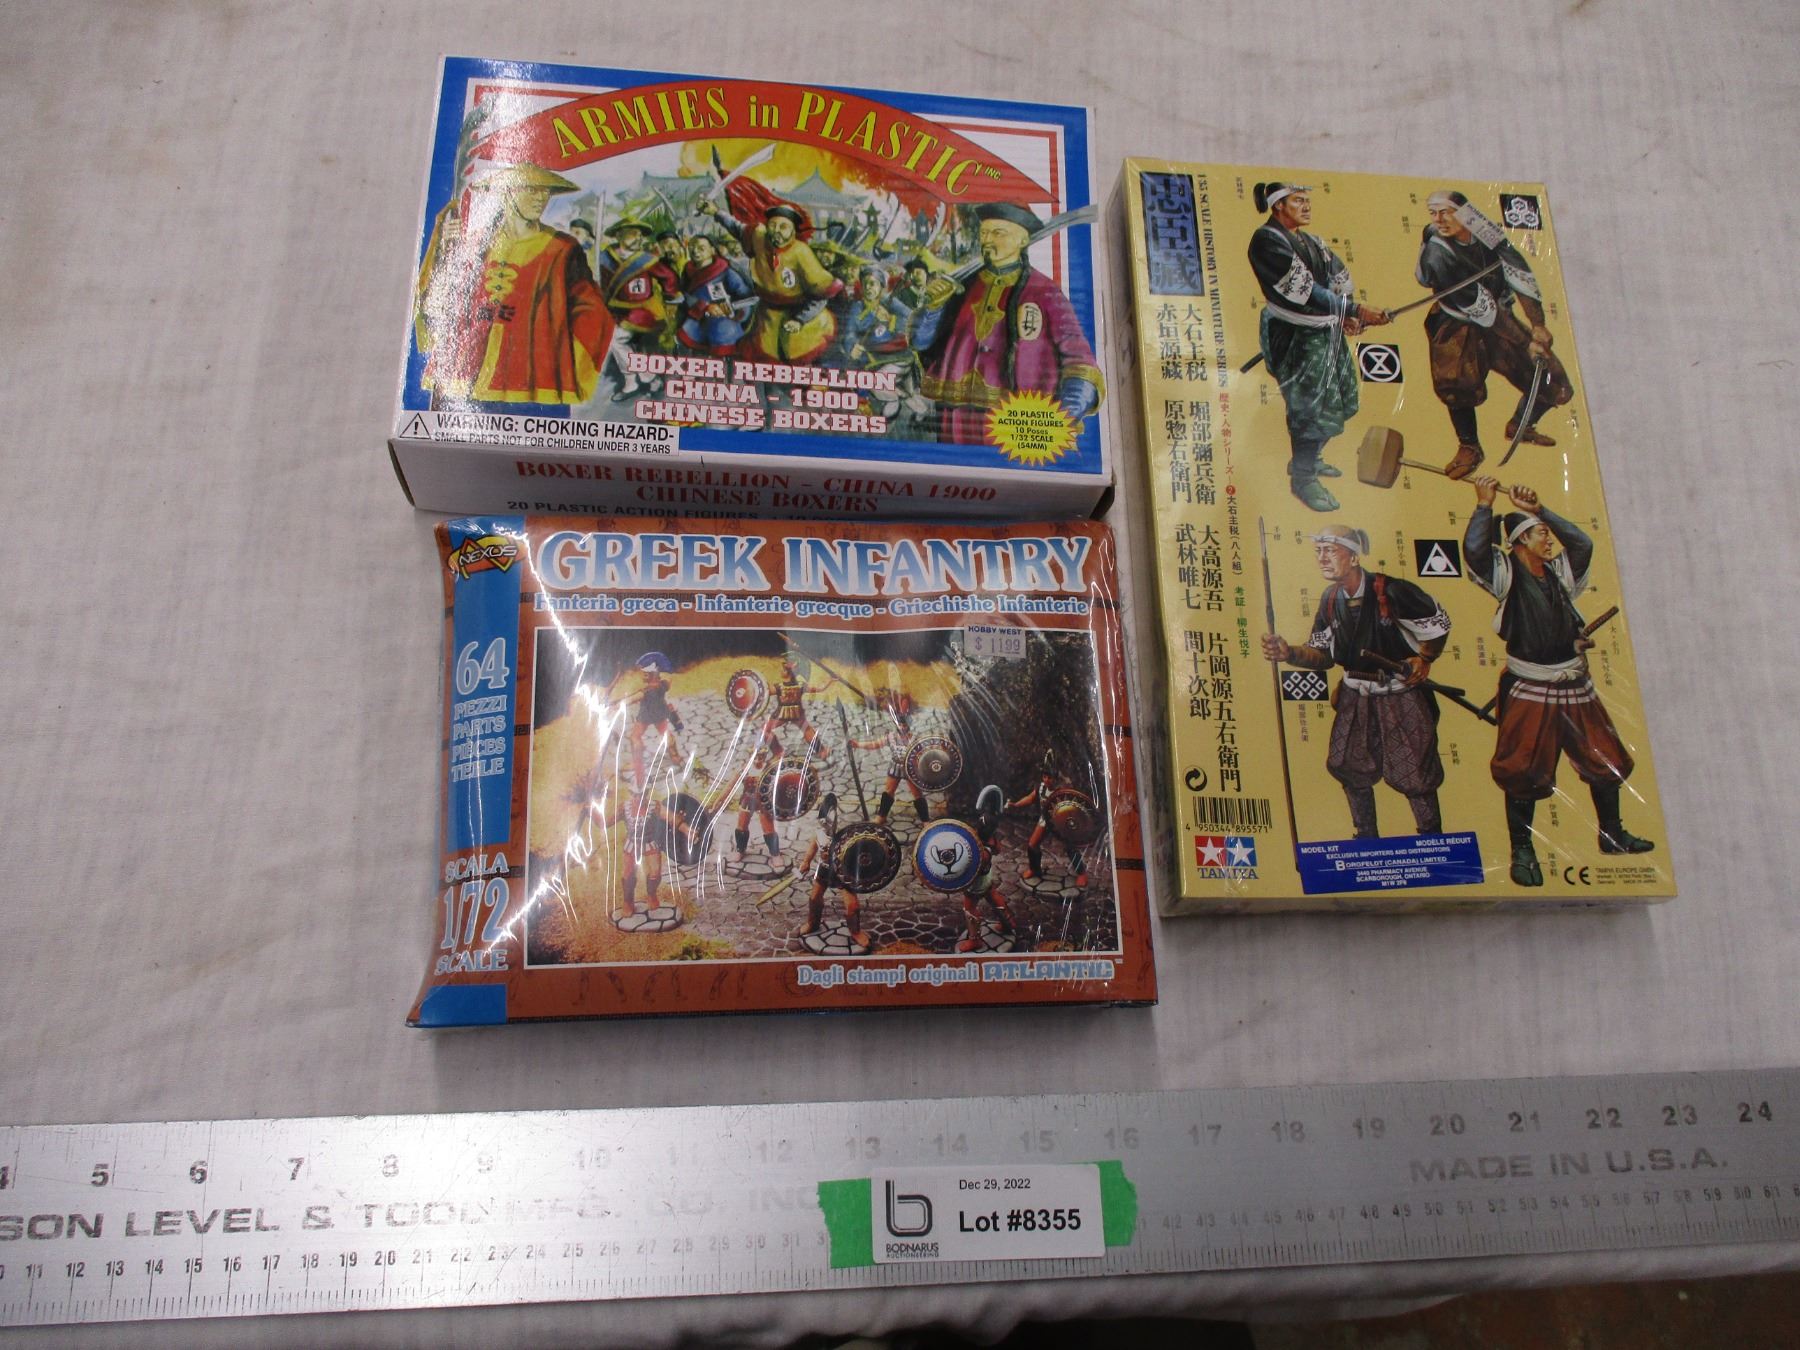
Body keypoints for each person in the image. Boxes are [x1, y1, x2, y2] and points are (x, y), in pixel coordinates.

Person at [1463, 477, 1652, 885]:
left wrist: (1540, 511)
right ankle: (1523, 851)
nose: (1549, 540)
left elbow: (1582, 545)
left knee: (1606, 759)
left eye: (1547, 533)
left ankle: (1612, 835)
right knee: (1523, 769)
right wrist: (1484, 505)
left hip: (1575, 685)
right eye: (1541, 534)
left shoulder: (1558, 573)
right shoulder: (1505, 573)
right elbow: (1475, 552)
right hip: (1531, 687)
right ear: (1520, 540)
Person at [1260, 525, 1451, 838]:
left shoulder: (1392, 590)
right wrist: (1289, 653)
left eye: (1330, 550)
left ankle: (1432, 838)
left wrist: (1425, 657)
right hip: (1355, 694)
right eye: (1318, 551)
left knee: (1415, 770)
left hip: (1399, 693)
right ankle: (1365, 836)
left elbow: (1438, 624)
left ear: (1353, 556)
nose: (1322, 558)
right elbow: (1322, 654)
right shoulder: (1330, 598)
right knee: (1348, 764)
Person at [414, 163, 613, 406]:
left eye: (546, 191)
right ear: (508, 191)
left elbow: (593, 311)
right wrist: (445, 249)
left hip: (532, 382)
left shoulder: (562, 249)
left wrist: (560, 356)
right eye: (532, 189)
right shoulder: (475, 242)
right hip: (466, 377)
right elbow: (443, 302)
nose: (541, 198)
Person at [1247, 181, 1390, 511]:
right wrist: (1353, 310)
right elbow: (1306, 292)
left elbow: (1338, 277)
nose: (1307, 206)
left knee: (1342, 399)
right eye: (1298, 200)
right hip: (1295, 334)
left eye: (1307, 200)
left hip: (1326, 329)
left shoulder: (1312, 241)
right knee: (1309, 409)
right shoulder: (1267, 241)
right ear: (1278, 205)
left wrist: (1348, 314)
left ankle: (1309, 459)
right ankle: (1303, 477)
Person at [914, 203, 1104, 446]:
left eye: (997, 233)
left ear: (1022, 240)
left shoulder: (1044, 292)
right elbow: (921, 342)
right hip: (956, 416)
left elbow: (1080, 363)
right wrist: (933, 308)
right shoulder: (962, 287)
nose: (987, 240)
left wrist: (1061, 419)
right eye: (984, 233)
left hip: (1014, 424)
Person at [1416, 190, 1574, 480]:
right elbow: (1481, 307)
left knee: (1550, 377)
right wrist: (1526, 342)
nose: (1439, 219)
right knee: (1456, 386)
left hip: (1500, 318)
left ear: (1465, 213)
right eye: (1433, 213)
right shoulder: (1437, 253)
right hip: (1457, 324)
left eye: (1446, 212)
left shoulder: (1487, 234)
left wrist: (1537, 324)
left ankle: (1521, 425)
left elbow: (1518, 273)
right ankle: (1469, 447)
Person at [697, 197, 843, 364]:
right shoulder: (759, 237)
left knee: (798, 359)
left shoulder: (802, 253)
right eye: (773, 225)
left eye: (783, 227)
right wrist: (716, 212)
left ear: (793, 231)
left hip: (799, 318)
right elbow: (737, 228)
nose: (776, 231)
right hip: (766, 318)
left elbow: (821, 294)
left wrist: (800, 319)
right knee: (762, 359)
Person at [596, 218, 679, 395]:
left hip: (642, 311)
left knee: (615, 339)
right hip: (614, 310)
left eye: (640, 235)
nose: (639, 238)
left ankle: (637, 380)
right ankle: (644, 379)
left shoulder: (646, 260)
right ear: (619, 235)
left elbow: (669, 277)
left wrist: (670, 295)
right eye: (633, 234)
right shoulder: (604, 258)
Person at [792, 794, 871, 952]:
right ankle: (813, 923)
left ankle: (855, 931)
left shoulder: (844, 837)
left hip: (842, 871)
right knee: (815, 898)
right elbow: (812, 849)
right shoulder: (819, 834)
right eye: (825, 822)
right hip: (824, 869)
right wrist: (806, 862)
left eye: (830, 821)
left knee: (852, 905)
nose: (828, 825)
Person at [1007, 751, 1091, 887]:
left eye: (1050, 777)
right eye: (1044, 776)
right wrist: (1016, 804)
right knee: (1032, 845)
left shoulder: (1062, 791)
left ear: (1056, 778)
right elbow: (1030, 798)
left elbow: (1073, 809)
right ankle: (1035, 869)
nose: (1046, 780)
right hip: (1045, 820)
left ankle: (1082, 873)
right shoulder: (1040, 788)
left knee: (1070, 848)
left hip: (1061, 822)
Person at [847, 689, 930, 825]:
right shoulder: (891, 737)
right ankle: (882, 816)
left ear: (908, 725)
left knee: (917, 794)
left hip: (910, 767)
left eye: (904, 725)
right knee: (889, 791)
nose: (902, 727)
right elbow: (874, 744)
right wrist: (858, 744)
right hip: (895, 766)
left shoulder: (914, 739)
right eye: (900, 725)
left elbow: (924, 754)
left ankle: (925, 820)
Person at [953, 785, 1018, 952]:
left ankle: (975, 940)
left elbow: (973, 867)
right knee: (994, 897)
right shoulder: (992, 840)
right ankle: (1008, 923)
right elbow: (998, 850)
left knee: (969, 909)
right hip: (987, 877)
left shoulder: (983, 852)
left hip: (977, 882)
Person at [675, 234, 754, 357]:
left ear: (712, 250)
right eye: (692, 247)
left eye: (701, 248)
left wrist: (732, 310)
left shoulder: (726, 271)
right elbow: (685, 294)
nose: (695, 251)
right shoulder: (688, 270)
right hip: (697, 320)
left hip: (723, 322)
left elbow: (745, 296)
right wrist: (704, 306)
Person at [728, 732, 786, 870]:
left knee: (768, 828)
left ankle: (775, 853)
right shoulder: (744, 769)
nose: (758, 759)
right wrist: (718, 802)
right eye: (755, 756)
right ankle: (740, 849)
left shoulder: (769, 768)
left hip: (763, 800)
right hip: (747, 799)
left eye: (761, 756)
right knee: (741, 826)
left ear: (765, 755)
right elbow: (730, 786)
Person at [625, 651, 684, 787]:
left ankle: (636, 761)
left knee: (635, 737)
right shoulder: (662, 686)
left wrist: (617, 705)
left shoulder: (646, 691)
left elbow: (632, 699)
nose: (642, 676)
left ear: (652, 674)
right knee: (666, 734)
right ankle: (675, 756)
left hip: (645, 716)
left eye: (645, 674)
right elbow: (669, 681)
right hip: (659, 714)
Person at [761, 654, 832, 759]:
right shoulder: (800, 685)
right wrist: (830, 681)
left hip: (782, 714)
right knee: (807, 730)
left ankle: (778, 752)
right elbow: (819, 689)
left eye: (783, 669)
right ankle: (821, 751)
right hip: (797, 713)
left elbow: (764, 690)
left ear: (787, 672)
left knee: (765, 730)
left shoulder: (779, 687)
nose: (780, 671)